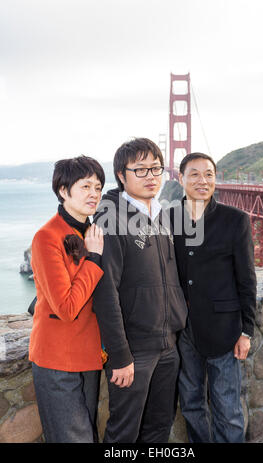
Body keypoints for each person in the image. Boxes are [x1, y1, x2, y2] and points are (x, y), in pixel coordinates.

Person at [92, 137, 187, 443]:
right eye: (141, 170)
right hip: (134, 349)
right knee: (124, 432)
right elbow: (105, 293)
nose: (151, 176)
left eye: (156, 168)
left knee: (159, 426)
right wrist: (120, 355)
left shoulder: (160, 215)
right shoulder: (110, 218)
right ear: (121, 174)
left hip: (168, 344)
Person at [170, 152, 257, 443]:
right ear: (180, 179)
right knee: (192, 403)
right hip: (184, 330)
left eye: (209, 174)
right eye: (194, 174)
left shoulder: (236, 220)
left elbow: (246, 279)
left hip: (225, 330)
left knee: (227, 407)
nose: (202, 180)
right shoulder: (168, 217)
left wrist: (247, 331)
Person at [29, 155, 106, 443]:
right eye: (85, 186)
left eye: (97, 187)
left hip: (89, 355)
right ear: (64, 191)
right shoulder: (46, 237)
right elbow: (66, 307)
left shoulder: (92, 232)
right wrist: (94, 259)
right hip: (57, 358)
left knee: (87, 436)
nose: (94, 194)